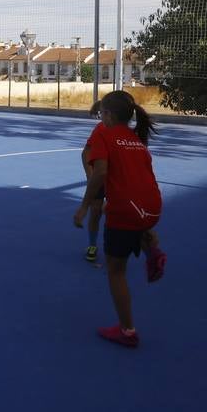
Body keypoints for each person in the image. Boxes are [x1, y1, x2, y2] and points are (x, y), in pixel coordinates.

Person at [72, 90, 166, 348]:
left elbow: (99, 171)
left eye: (102, 113)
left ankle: (127, 330)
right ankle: (152, 249)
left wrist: (83, 206)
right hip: (152, 207)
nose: (100, 117)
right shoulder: (137, 139)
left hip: (125, 208)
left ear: (109, 115)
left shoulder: (104, 133)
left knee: (116, 270)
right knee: (138, 225)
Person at [81, 100, 105, 262]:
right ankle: (92, 245)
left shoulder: (127, 132)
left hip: (118, 179)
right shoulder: (100, 130)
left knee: (126, 213)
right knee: (96, 211)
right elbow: (85, 153)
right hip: (101, 176)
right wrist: (91, 176)